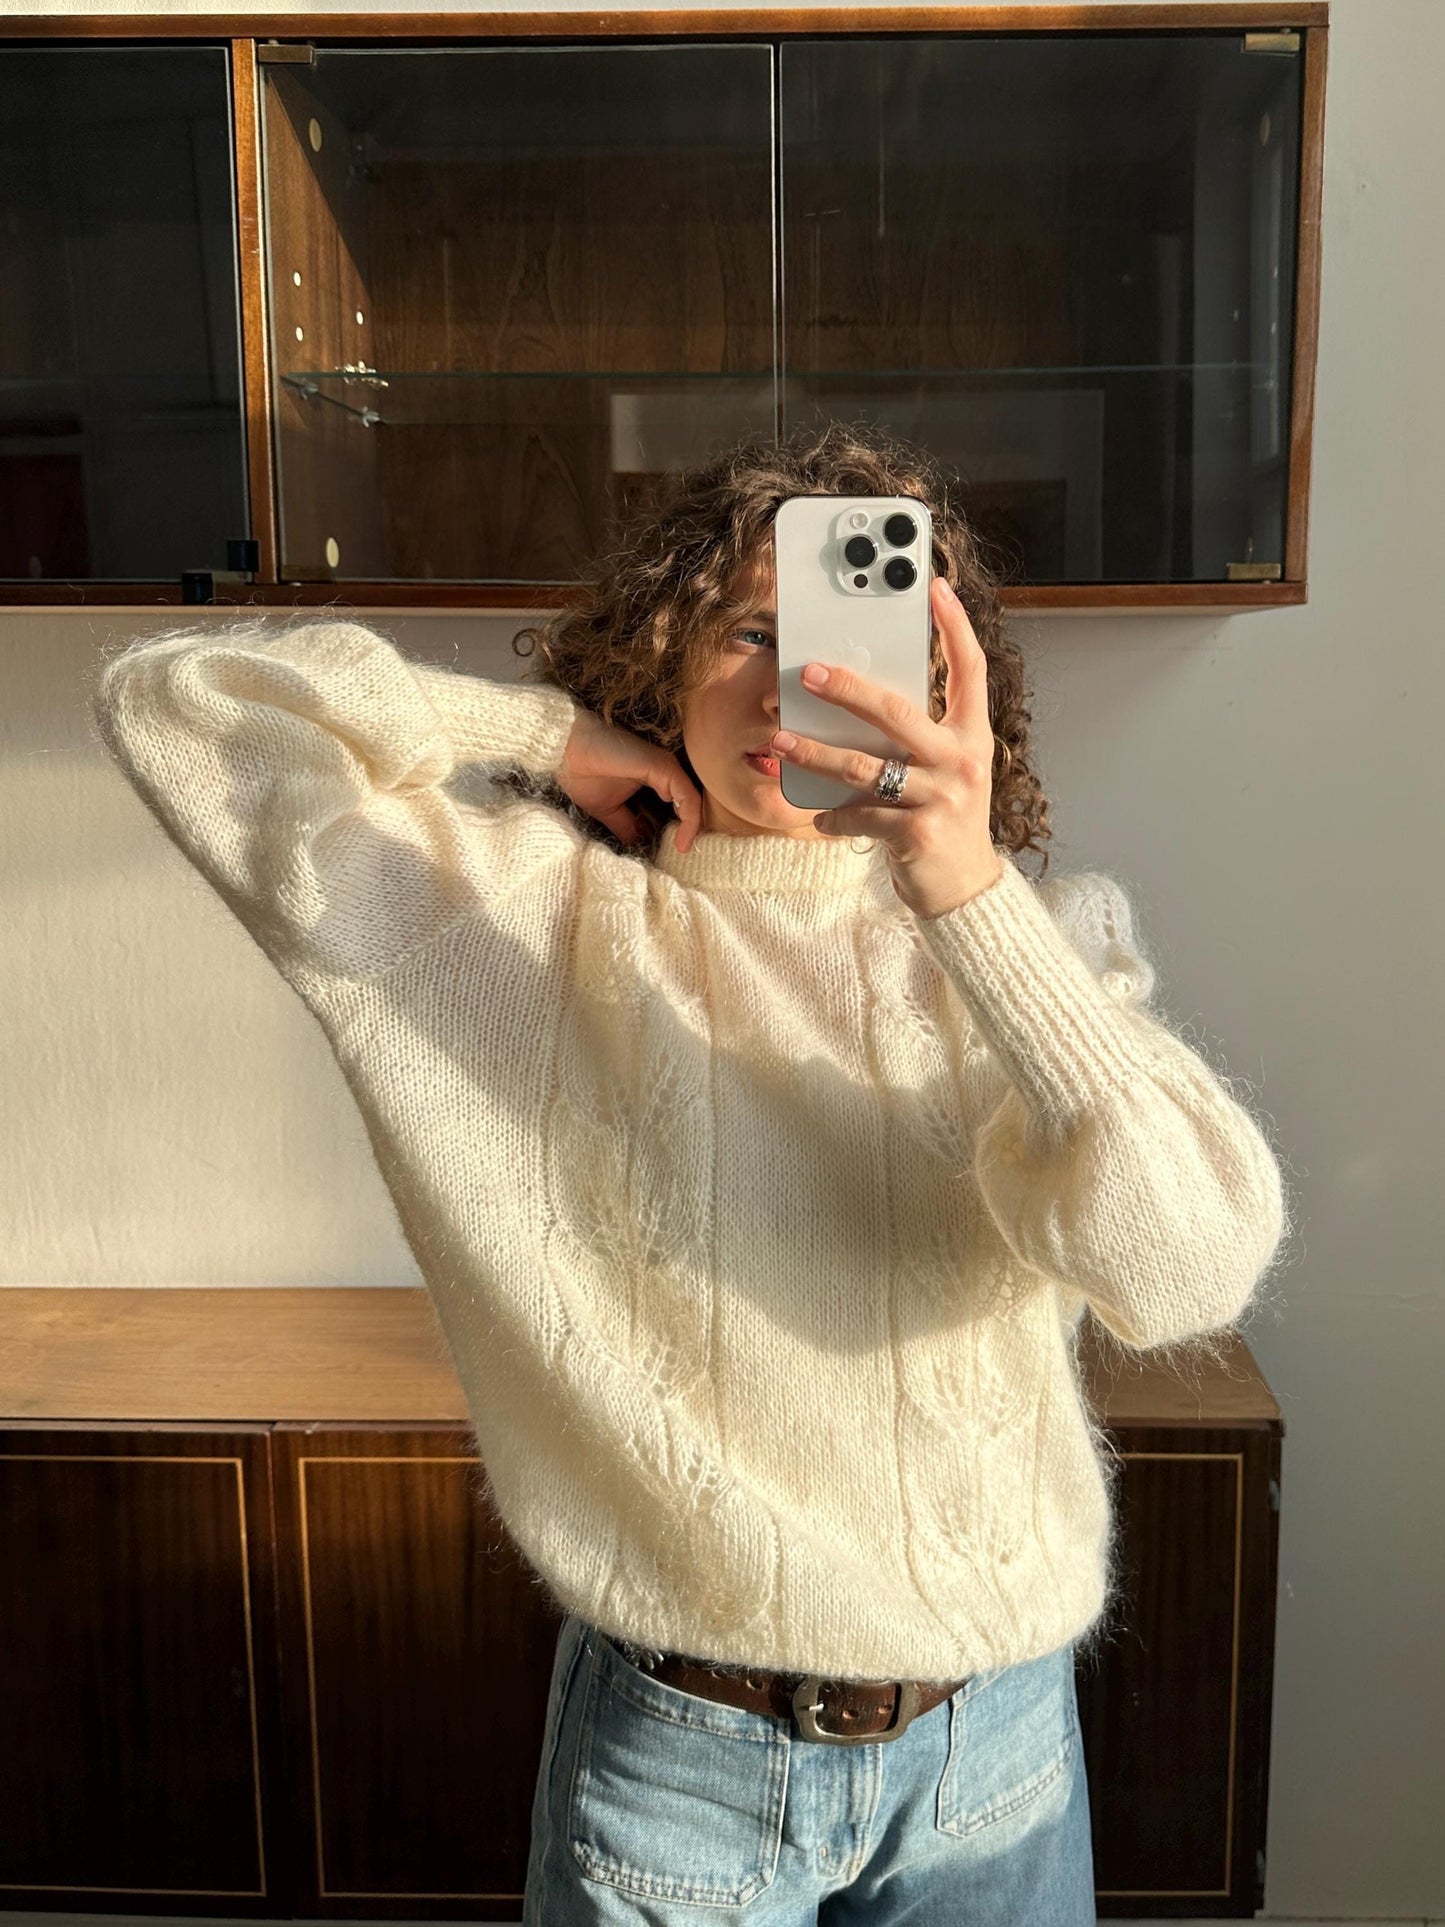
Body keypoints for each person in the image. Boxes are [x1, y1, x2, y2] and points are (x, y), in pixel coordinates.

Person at [90, 420, 1290, 1923]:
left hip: (995, 1754)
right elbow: (178, 705)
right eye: (748, 632)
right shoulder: (516, 926)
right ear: (662, 658)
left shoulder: (1036, 955)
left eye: (859, 638)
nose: (799, 686)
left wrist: (968, 891)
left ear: (946, 689)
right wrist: (545, 737)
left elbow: (1188, 1271)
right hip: (678, 1769)